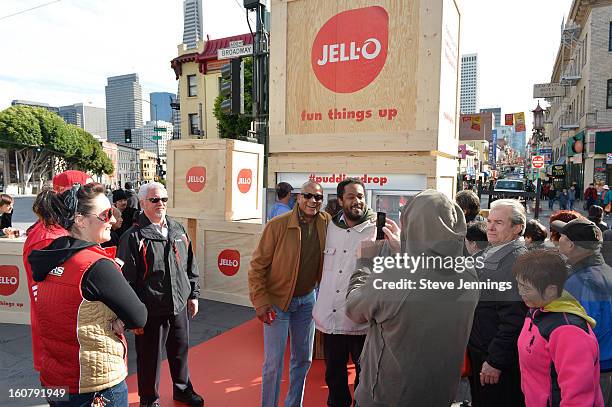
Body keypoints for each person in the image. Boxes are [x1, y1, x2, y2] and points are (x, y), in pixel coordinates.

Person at [345, 190, 479, 406]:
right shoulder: (469, 273)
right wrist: (407, 251)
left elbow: (354, 309)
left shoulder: (394, 277)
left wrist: (365, 263)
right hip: (439, 393)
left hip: (388, 396)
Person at [28, 182, 147, 405]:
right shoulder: (94, 265)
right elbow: (139, 315)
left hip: (55, 379)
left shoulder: (50, 255)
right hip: (94, 387)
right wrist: (119, 319)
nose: (113, 219)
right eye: (106, 214)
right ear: (80, 220)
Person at [117, 181, 203, 407]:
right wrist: (132, 316)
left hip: (179, 305)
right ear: (143, 203)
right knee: (150, 359)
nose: (160, 204)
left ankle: (183, 390)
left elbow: (189, 264)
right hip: (150, 310)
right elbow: (126, 281)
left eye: (164, 199)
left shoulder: (178, 229)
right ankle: (149, 399)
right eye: (155, 200)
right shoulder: (133, 237)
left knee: (180, 351)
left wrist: (193, 294)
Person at [249, 181, 331, 407]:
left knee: (303, 360)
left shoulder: (327, 223)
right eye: (308, 196)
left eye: (318, 198)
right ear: (298, 197)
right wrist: (261, 303)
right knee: (274, 364)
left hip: (307, 302)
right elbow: (257, 266)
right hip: (277, 303)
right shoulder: (278, 225)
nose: (313, 201)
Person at [312, 178, 384, 407]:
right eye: (351, 197)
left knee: (366, 376)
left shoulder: (377, 230)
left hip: (362, 321)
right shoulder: (328, 227)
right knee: (334, 375)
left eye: (361, 196)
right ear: (340, 200)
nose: (357, 201)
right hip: (332, 319)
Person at [23, 170, 92, 373]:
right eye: (87, 195)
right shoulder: (50, 237)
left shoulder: (55, 231)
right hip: (61, 350)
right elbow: (47, 297)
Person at [514, 249, 604, 406]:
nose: (520, 292)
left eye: (526, 288)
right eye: (518, 284)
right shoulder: (538, 309)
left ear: (551, 290)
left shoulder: (568, 331)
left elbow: (578, 396)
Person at [468, 199, 528, 407]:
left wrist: (495, 361)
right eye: (489, 221)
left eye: (499, 223)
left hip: (494, 360)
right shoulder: (492, 251)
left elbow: (514, 319)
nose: (490, 227)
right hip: (481, 351)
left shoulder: (515, 262)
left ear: (517, 228)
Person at [552, 218, 612, 405]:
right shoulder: (606, 272)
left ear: (570, 244)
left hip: (590, 372)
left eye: (561, 236)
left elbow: (579, 336)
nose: (557, 239)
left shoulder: (579, 282)